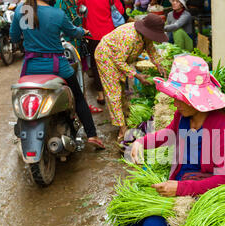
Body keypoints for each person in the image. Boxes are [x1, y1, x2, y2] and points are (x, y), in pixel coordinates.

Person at [111, 55, 225, 226]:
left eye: (179, 97)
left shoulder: (222, 129)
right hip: (178, 182)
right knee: (126, 216)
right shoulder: (183, 116)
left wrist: (179, 189)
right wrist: (141, 141)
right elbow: (170, 132)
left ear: (197, 100)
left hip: (201, 194)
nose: (174, 101)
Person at [10, 0, 105, 149]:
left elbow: (14, 37)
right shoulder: (57, 14)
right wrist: (83, 31)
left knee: (25, 96)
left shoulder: (23, 10)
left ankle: (21, 131)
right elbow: (73, 32)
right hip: (56, 67)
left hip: (31, 68)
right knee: (79, 97)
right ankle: (92, 135)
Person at [94, 13, 168, 142]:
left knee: (121, 89)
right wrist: (137, 75)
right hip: (106, 57)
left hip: (118, 58)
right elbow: (118, 61)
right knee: (114, 93)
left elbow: (151, 51)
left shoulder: (145, 36)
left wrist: (160, 66)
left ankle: (122, 115)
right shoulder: (130, 37)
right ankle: (122, 129)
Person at [77, 0, 125, 106]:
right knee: (112, 63)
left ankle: (101, 95)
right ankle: (115, 93)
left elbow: (80, 11)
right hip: (109, 34)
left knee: (95, 65)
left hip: (92, 34)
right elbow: (120, 10)